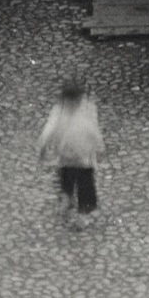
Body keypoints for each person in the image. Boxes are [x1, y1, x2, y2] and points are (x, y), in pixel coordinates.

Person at [39, 72, 106, 227]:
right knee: (85, 187)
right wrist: (100, 147)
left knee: (67, 179)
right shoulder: (87, 109)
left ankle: (67, 199)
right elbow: (94, 130)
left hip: (66, 157)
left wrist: (42, 148)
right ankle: (82, 213)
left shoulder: (59, 110)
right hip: (83, 159)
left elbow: (48, 129)